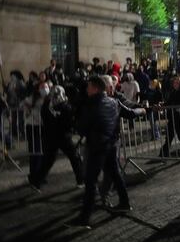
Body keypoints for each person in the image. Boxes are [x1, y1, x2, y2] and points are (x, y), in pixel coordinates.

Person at [64, 76, 134, 229]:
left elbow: (82, 127)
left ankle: (85, 218)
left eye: (89, 86)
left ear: (95, 88)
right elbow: (128, 113)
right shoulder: (113, 102)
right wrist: (142, 110)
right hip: (110, 144)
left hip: (97, 147)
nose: (87, 89)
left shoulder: (92, 105)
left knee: (90, 181)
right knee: (115, 174)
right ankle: (124, 202)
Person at [98, 75, 146, 208]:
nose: (113, 87)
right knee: (109, 171)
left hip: (111, 141)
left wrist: (141, 109)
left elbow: (129, 110)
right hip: (102, 141)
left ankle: (117, 200)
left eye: (113, 85)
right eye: (110, 85)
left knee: (111, 171)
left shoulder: (114, 100)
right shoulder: (99, 100)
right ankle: (110, 197)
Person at [28, 86, 84, 192]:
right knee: (74, 157)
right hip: (63, 137)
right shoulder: (65, 106)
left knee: (48, 160)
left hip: (50, 137)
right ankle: (81, 180)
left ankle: (36, 182)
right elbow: (69, 122)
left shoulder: (46, 106)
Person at [23, 80, 48, 192]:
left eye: (47, 86)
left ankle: (39, 175)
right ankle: (33, 176)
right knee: (35, 152)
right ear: (38, 89)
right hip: (32, 127)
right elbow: (25, 106)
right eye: (43, 87)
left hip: (42, 127)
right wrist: (29, 109)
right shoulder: (32, 98)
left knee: (41, 152)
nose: (45, 88)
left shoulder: (47, 98)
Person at [159, 76, 180, 158]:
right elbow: (169, 102)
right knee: (169, 136)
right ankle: (163, 153)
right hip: (173, 118)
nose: (175, 84)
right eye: (174, 83)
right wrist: (162, 105)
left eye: (177, 83)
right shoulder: (173, 93)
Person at [5, 70, 27, 138]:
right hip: (11, 103)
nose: (11, 77)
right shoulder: (10, 83)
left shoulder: (21, 83)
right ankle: (13, 132)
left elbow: (23, 93)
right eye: (11, 75)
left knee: (20, 119)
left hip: (19, 103)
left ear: (16, 76)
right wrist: (5, 88)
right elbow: (8, 92)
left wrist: (16, 90)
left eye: (13, 75)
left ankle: (22, 133)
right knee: (13, 119)